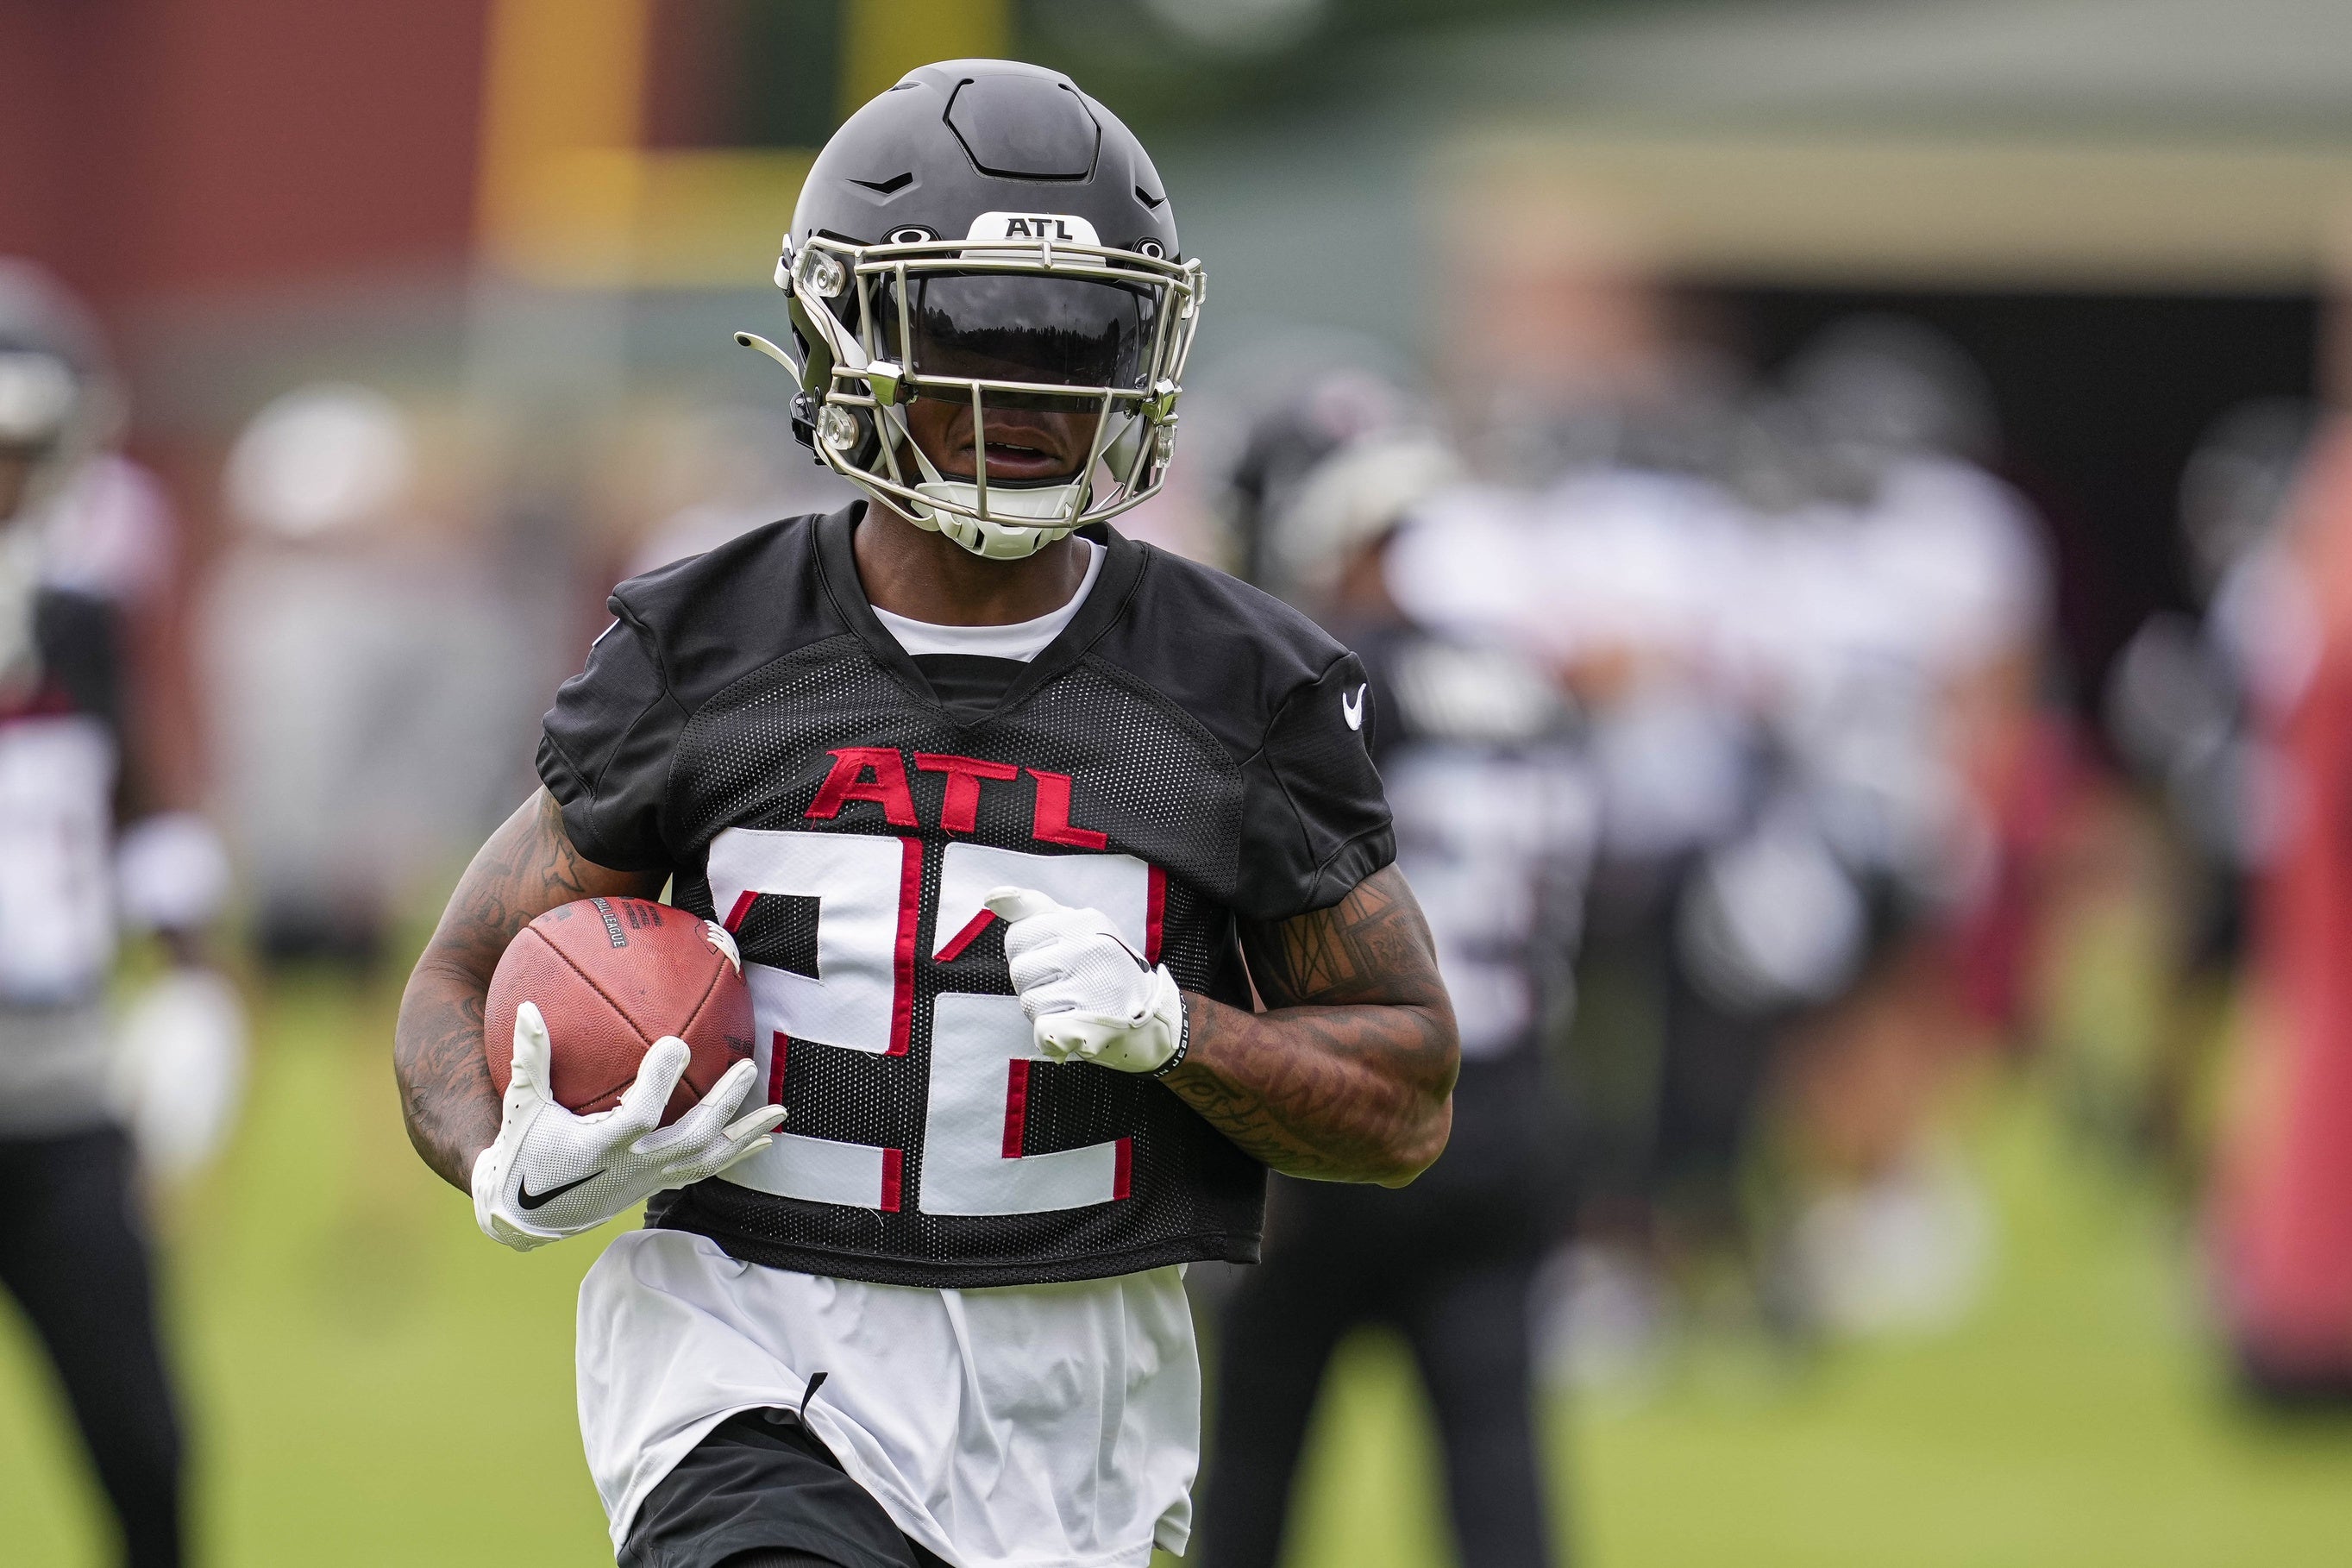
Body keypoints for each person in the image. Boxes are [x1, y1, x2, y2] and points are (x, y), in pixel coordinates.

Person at [392, 60, 1458, 1568]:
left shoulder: (1241, 687)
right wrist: (503, 1159)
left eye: (1079, 337)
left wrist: (1179, 1031)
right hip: (749, 1367)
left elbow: (1408, 1091)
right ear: (844, 334)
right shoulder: (710, 644)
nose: (1026, 389)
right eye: (965, 327)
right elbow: (456, 976)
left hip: (1075, 1408)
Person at [1195, 435, 1590, 1568]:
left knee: (1252, 1471)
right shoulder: (1519, 675)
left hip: (1343, 1102)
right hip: (1507, 1097)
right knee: (1498, 1469)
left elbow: (1259, 894)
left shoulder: (1325, 682)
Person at [0, 260, 207, 1568]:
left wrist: (189, 977)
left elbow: (141, 800)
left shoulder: (77, 621)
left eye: (22, 448)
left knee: (145, 1444)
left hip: (62, 1091)